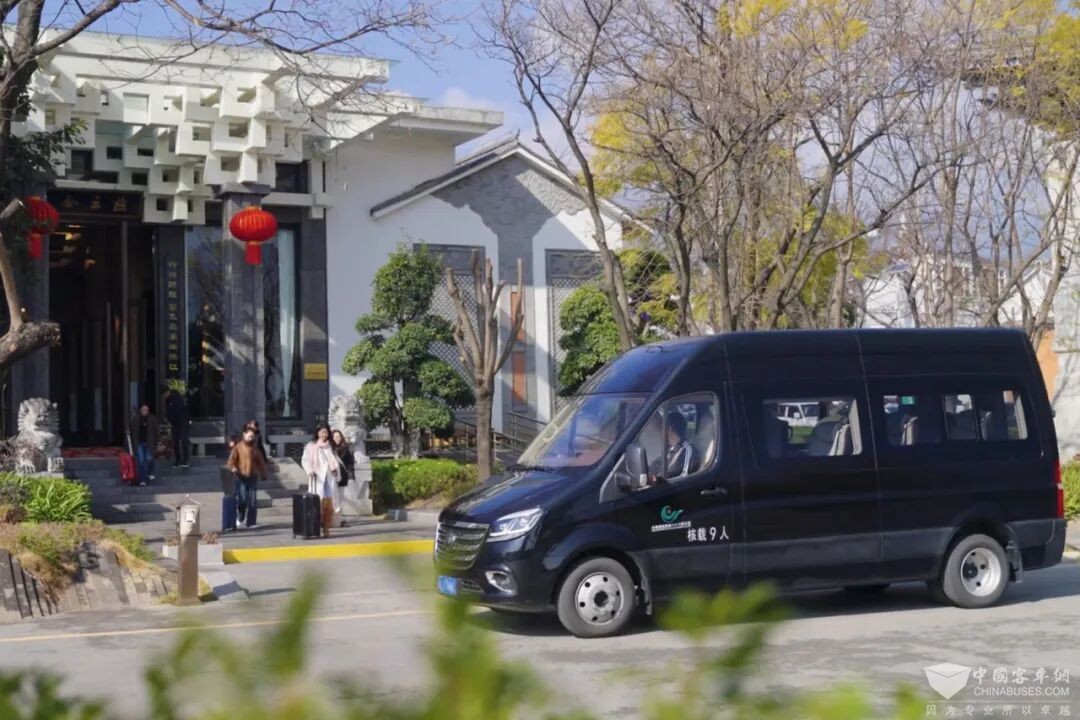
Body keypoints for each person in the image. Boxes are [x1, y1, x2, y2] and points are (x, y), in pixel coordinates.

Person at [301, 423, 342, 537]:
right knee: (317, 502)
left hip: (329, 477)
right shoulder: (311, 446)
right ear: (317, 433)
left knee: (329, 503)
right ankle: (316, 526)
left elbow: (335, 460)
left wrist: (335, 469)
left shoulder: (330, 446)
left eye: (326, 432)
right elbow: (305, 460)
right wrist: (310, 470)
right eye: (322, 432)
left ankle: (326, 527)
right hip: (317, 477)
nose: (324, 434)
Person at [226, 426, 269, 529]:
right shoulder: (238, 448)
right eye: (249, 436)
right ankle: (240, 517)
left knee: (253, 501)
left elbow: (261, 463)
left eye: (252, 437)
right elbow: (231, 461)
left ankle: (251, 522)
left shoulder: (255, 449)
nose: (251, 438)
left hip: (252, 477)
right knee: (242, 500)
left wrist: (263, 474)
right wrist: (233, 468)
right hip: (240, 477)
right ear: (244, 435)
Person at [129, 404, 159, 486]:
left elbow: (156, 431)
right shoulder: (135, 419)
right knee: (141, 460)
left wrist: (157, 442)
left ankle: (150, 472)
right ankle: (142, 479)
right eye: (143, 410)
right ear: (140, 410)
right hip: (139, 443)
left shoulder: (152, 419)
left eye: (146, 410)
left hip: (149, 443)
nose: (145, 411)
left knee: (149, 458)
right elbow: (131, 431)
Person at [331, 429, 355, 527]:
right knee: (332, 498)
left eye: (339, 436)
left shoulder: (345, 448)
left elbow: (350, 463)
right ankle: (330, 519)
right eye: (335, 437)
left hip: (343, 477)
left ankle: (338, 520)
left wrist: (351, 476)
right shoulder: (329, 449)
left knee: (340, 499)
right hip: (332, 477)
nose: (337, 439)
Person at [165, 387, 191, 468]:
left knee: (179, 441)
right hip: (180, 422)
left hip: (180, 422)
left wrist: (169, 420)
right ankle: (183, 459)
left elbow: (172, 411)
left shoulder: (174, 399)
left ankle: (179, 460)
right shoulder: (172, 400)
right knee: (180, 441)